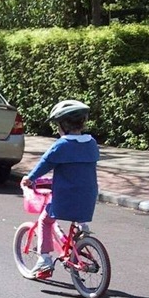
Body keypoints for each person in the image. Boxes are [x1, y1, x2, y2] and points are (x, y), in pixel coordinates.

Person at [21, 100, 99, 276]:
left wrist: (29, 178)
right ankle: (81, 228)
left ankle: (44, 260)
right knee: (78, 211)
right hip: (88, 196)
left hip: (66, 197)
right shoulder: (91, 143)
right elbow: (77, 168)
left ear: (63, 125)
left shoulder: (62, 145)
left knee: (45, 220)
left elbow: (45, 163)